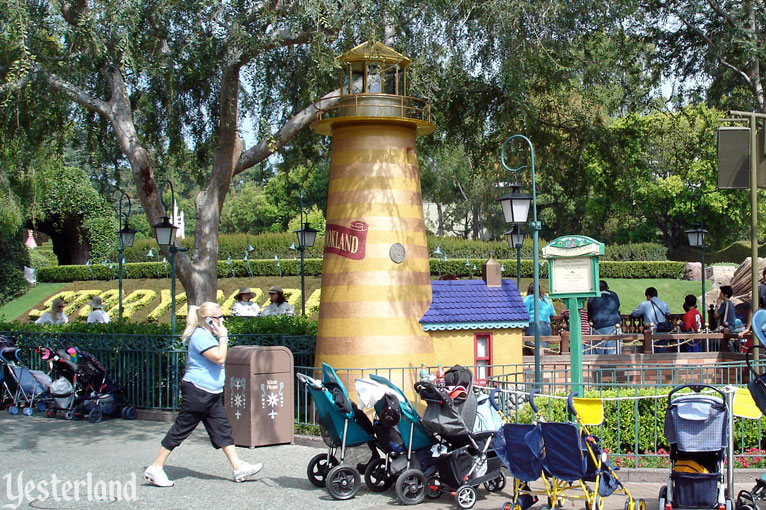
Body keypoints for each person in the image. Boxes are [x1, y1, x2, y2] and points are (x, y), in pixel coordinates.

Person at [143, 302, 263, 487]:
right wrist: (223, 338)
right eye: (219, 317)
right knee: (181, 429)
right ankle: (156, 468)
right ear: (209, 320)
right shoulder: (200, 336)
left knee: (222, 429)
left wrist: (219, 337)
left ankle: (238, 467)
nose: (222, 320)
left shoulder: (206, 335)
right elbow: (219, 358)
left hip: (211, 393)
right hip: (198, 392)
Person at [630, 287, 671, 352]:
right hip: (663, 330)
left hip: (651, 332)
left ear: (648, 296)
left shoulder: (645, 304)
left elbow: (634, 314)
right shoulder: (664, 304)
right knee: (662, 351)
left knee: (651, 352)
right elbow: (668, 314)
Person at [587, 281, 621, 355]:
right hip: (614, 325)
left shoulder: (593, 297)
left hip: (599, 326)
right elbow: (617, 306)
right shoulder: (614, 295)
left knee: (598, 353)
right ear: (607, 288)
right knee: (614, 353)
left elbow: (590, 311)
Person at [523, 282, 556, 348]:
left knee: (534, 346)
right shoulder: (546, 299)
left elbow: (524, 312)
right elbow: (552, 312)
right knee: (542, 347)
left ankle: (539, 357)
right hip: (547, 325)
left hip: (534, 325)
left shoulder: (528, 298)